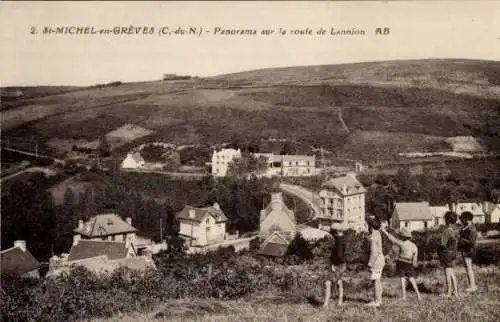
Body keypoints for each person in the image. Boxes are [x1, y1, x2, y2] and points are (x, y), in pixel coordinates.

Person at [380, 226, 422, 301]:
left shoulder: (401, 243)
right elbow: (414, 260)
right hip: (409, 263)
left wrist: (384, 231)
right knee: (411, 278)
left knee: (402, 278)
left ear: (402, 236)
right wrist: (413, 265)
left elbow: (391, 238)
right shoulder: (414, 246)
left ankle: (404, 296)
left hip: (401, 262)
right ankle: (418, 295)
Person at [323, 223, 348, 308]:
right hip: (343, 264)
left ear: (335, 232)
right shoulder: (343, 238)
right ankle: (340, 302)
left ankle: (325, 304)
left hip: (337, 265)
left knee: (327, 283)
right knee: (339, 282)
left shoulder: (338, 241)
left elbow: (339, 255)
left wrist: (334, 265)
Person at [438, 211, 459, 297]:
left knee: (447, 273)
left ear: (448, 220)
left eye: (445, 219)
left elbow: (443, 244)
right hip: (453, 253)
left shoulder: (446, 232)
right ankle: (456, 292)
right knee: (452, 273)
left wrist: (439, 250)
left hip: (446, 254)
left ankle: (449, 292)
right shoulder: (455, 231)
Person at [366, 217, 385, 307]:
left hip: (376, 262)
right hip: (380, 260)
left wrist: (370, 264)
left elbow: (374, 253)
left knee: (376, 281)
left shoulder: (373, 237)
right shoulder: (377, 233)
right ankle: (379, 299)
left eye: (367, 224)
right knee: (378, 280)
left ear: (370, 226)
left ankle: (377, 301)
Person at [458, 211, 478, 292]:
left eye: (462, 219)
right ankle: (472, 285)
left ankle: (472, 286)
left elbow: (472, 242)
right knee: (468, 268)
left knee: (469, 268)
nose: (461, 221)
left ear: (466, 219)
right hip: (465, 250)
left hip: (468, 250)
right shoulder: (467, 227)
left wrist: (462, 240)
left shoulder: (471, 229)